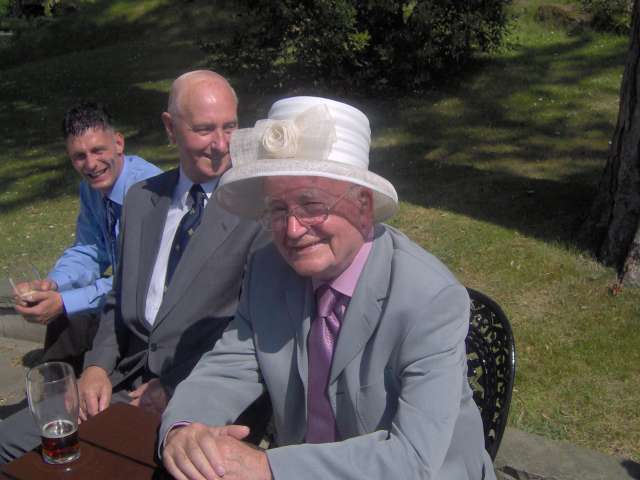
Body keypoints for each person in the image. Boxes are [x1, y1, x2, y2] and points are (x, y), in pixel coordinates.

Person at [160, 96, 496, 479]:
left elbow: (413, 459)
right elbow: (229, 366)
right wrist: (183, 429)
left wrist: (267, 467)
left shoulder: (429, 299)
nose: (292, 230)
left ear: (364, 206)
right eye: (278, 209)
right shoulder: (268, 268)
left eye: (312, 205)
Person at [0, 70, 268, 464]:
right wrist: (96, 367)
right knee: (7, 442)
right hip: (121, 379)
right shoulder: (142, 199)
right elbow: (117, 297)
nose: (222, 144)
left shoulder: (257, 209)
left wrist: (174, 386)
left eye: (230, 126)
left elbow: (252, 330)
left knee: (98, 465)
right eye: (204, 129)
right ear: (170, 128)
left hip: (196, 393)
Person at [12, 102, 161, 373]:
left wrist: (65, 302)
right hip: (123, 298)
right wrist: (53, 284)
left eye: (98, 150)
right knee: (67, 308)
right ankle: (58, 383)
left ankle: (68, 384)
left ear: (118, 143)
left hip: (154, 309)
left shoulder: (148, 190)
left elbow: (139, 281)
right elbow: (89, 250)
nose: (91, 164)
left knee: (70, 308)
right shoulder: (91, 189)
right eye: (79, 156)